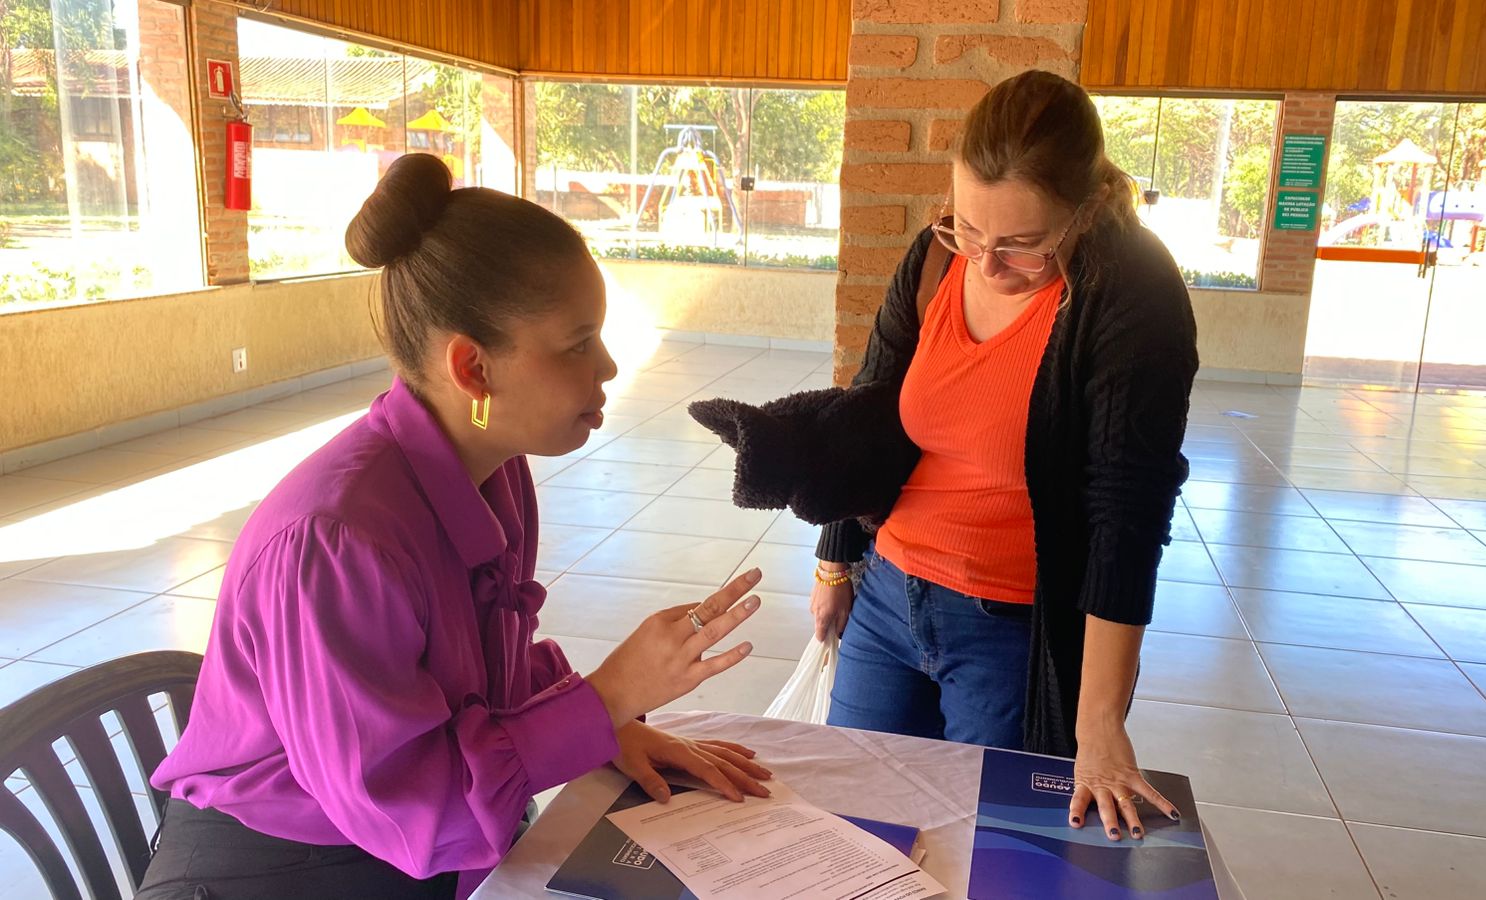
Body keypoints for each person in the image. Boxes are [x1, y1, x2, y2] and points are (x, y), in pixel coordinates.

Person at [136, 154, 771, 900]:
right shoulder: (335, 542)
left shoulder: (497, 470)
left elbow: (477, 672)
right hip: (285, 868)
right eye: (578, 342)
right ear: (472, 368)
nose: (606, 365)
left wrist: (610, 725)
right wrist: (601, 700)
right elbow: (417, 815)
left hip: (407, 845)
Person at [690, 70, 1197, 843]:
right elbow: (866, 409)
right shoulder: (935, 257)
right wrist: (835, 563)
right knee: (850, 835)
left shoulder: (1133, 294)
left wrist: (1099, 722)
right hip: (889, 599)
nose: (986, 264)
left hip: (1011, 634)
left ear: (1088, 206)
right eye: (969, 229)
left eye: (1023, 246)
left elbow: (1125, 513)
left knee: (982, 848)